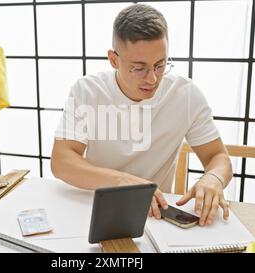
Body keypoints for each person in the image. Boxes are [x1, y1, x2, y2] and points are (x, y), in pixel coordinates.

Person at [51, 4, 233, 226]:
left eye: (160, 65)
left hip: (154, 215)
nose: (153, 79)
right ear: (114, 59)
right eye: (139, 68)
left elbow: (218, 157)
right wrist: (122, 181)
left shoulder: (185, 95)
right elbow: (62, 161)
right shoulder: (87, 91)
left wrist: (213, 178)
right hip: (91, 207)